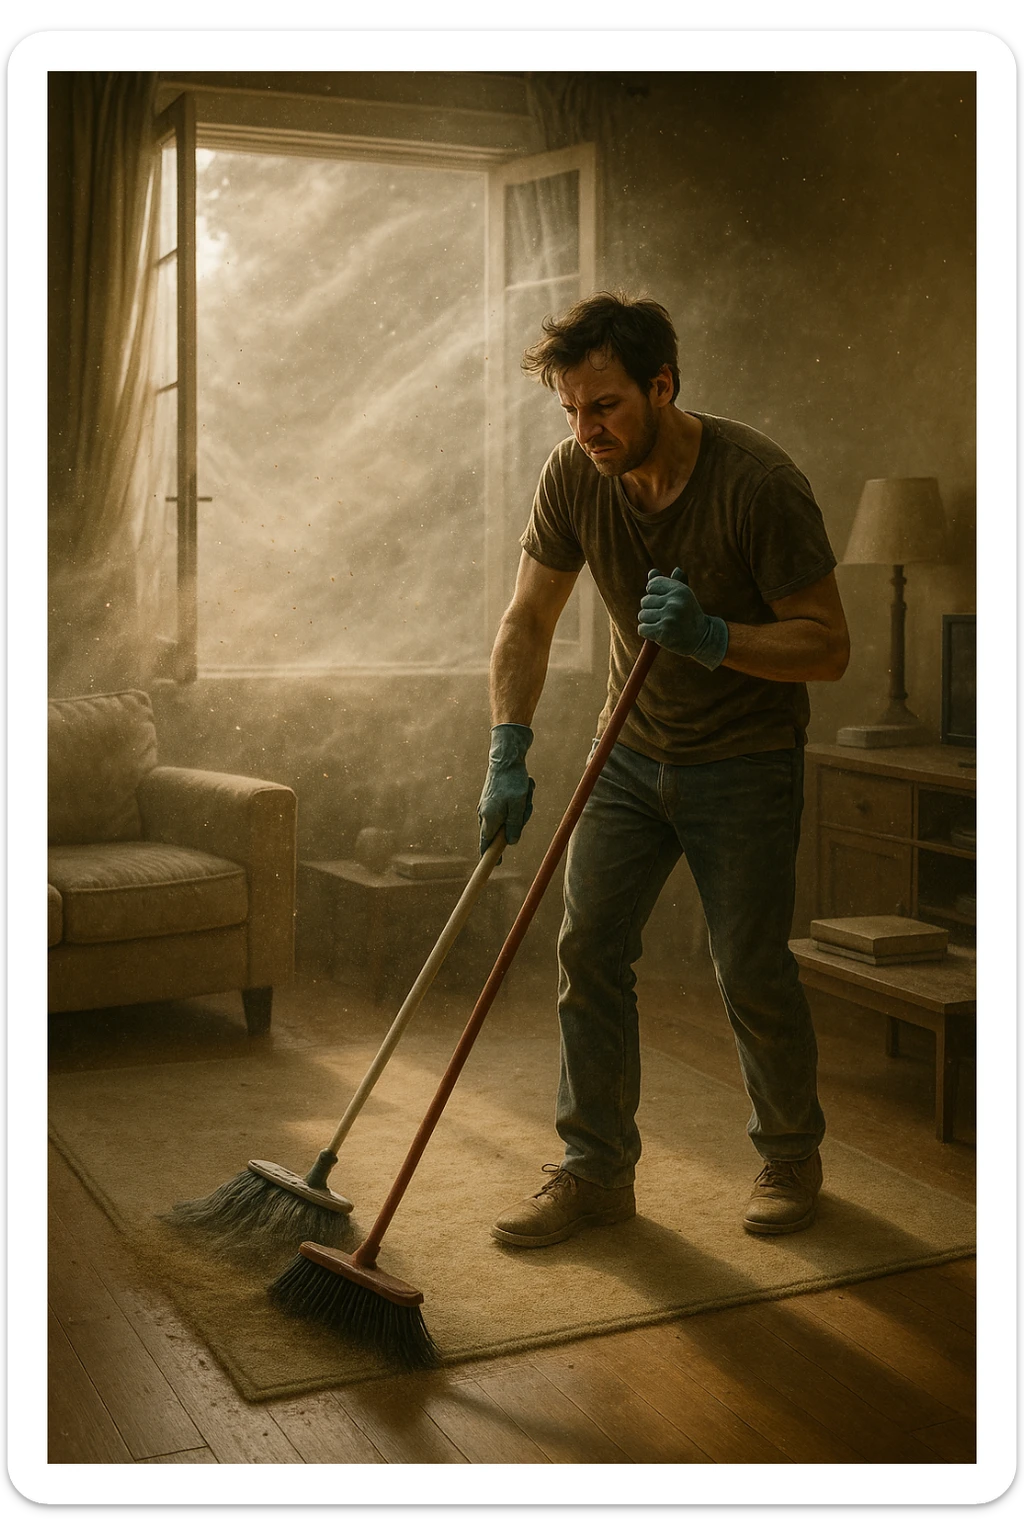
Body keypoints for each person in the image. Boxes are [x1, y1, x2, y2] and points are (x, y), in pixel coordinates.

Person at [477, 291, 850, 1248]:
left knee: (750, 971)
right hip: (630, 752)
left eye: (603, 406)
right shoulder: (573, 476)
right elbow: (528, 619)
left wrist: (716, 637)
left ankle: (789, 1155)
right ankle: (595, 1173)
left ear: (663, 385)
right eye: (569, 408)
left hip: (746, 762)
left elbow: (828, 646)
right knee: (587, 952)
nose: (584, 428)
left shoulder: (758, 484)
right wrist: (506, 749)